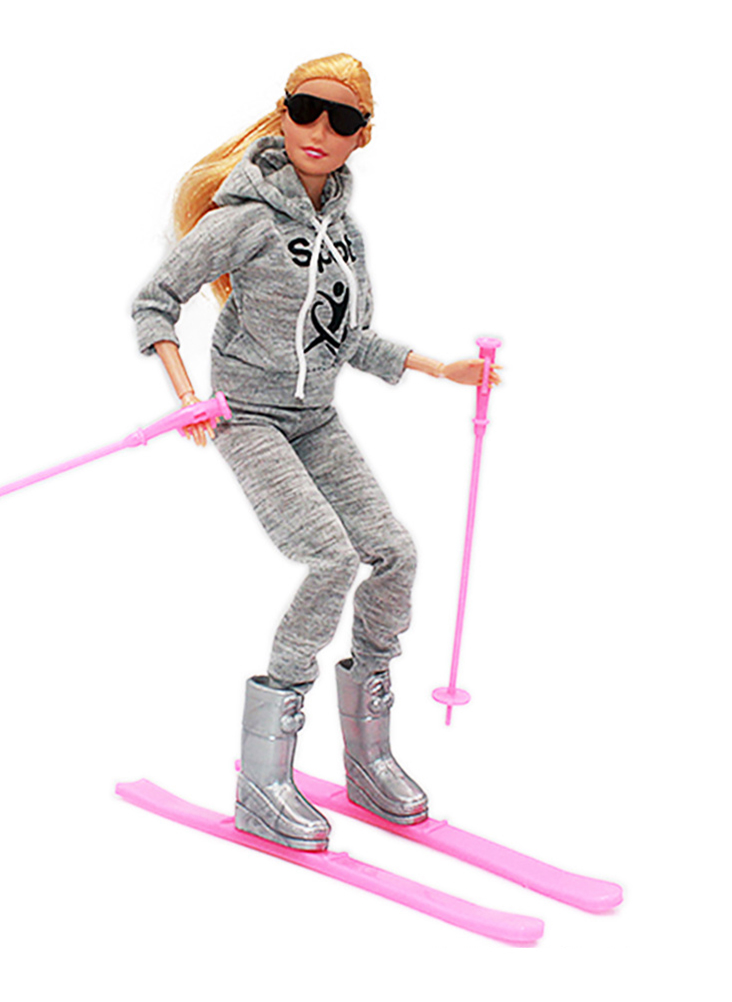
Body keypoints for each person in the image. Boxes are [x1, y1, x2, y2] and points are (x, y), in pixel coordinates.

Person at [133, 54, 499, 852]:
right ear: (283, 113)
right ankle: (263, 780)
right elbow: (156, 302)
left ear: (363, 136)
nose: (320, 131)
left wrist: (438, 367)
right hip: (248, 419)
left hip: (316, 419)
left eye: (343, 120)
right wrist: (186, 391)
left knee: (394, 552)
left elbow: (348, 337)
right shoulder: (243, 219)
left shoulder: (343, 235)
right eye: (306, 110)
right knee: (329, 560)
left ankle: (368, 755)